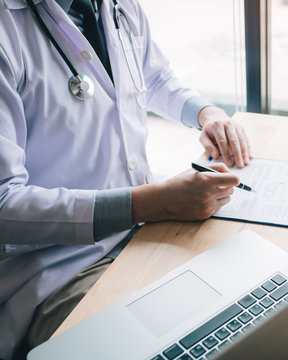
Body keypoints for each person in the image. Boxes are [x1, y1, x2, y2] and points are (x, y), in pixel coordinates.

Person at [0, 0, 251, 358]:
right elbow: (4, 204)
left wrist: (205, 113)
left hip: (142, 232)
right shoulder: (7, 29)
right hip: (60, 268)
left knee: (237, 309)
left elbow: (154, 77)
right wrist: (154, 201)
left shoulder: (119, 6)